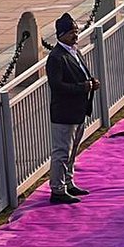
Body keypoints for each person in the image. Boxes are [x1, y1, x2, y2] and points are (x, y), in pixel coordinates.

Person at [47, 12, 98, 204]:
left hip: (78, 110)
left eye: (76, 31)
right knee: (61, 151)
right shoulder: (56, 57)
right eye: (71, 33)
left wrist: (90, 83)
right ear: (60, 35)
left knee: (73, 150)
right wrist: (82, 87)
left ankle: (68, 181)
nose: (75, 35)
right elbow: (57, 86)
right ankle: (57, 189)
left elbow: (82, 74)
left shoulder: (75, 51)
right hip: (64, 112)